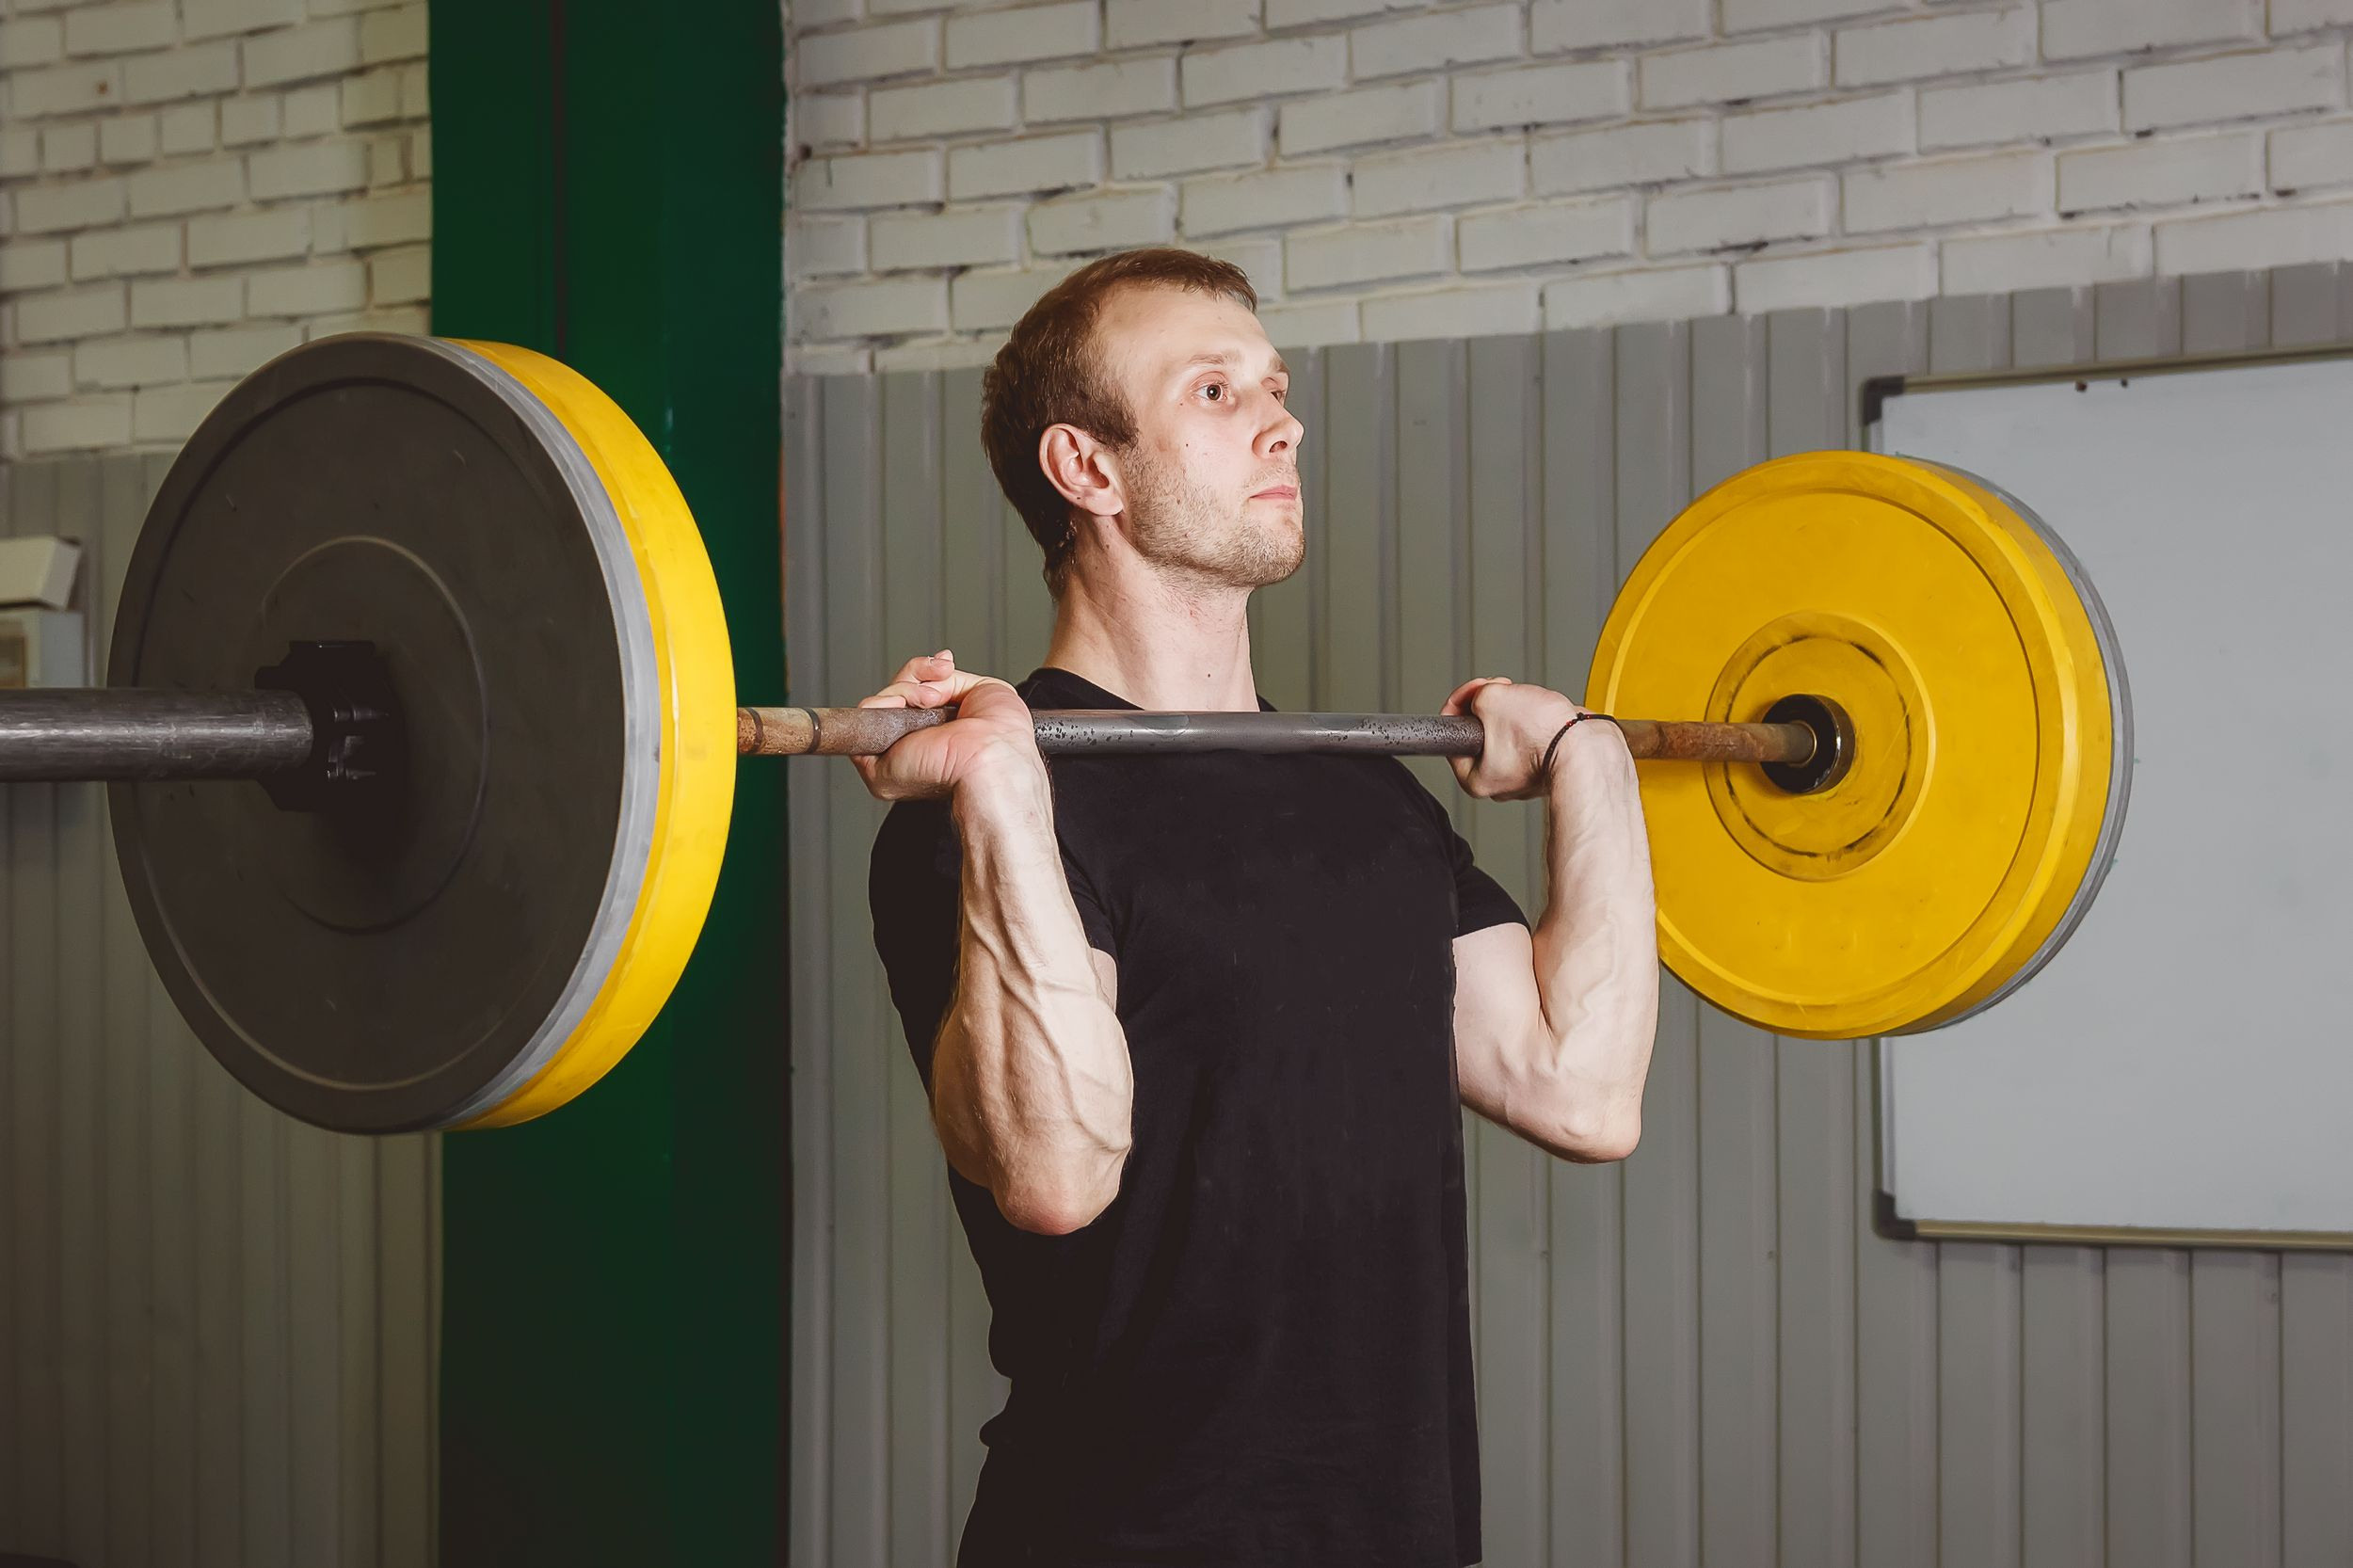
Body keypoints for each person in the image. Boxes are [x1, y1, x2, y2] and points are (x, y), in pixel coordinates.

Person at [861, 247, 1657, 1567]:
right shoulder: (974, 809)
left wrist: (1596, 766)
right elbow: (1055, 1175)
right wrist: (1001, 786)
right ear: (1088, 469)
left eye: (1276, 385)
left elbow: (1583, 1088)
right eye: (1216, 392)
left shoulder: (1365, 800)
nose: (1282, 418)